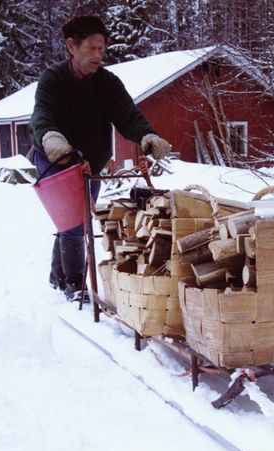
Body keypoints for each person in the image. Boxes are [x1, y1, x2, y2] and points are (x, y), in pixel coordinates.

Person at [31, 14, 171, 302]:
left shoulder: (107, 83)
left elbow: (127, 115)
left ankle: (57, 276)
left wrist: (147, 136)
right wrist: (50, 136)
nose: (98, 55)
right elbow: (42, 113)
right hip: (56, 157)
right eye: (91, 48)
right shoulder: (53, 79)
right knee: (74, 222)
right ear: (72, 46)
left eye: (102, 49)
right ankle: (73, 285)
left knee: (75, 220)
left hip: (90, 162)